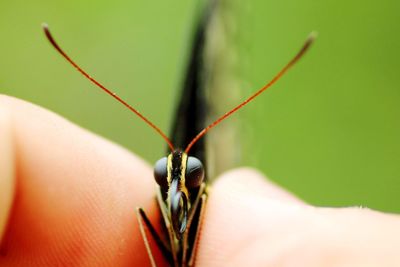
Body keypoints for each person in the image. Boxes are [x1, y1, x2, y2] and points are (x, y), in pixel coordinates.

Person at [0, 95, 399, 266]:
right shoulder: (149, 211)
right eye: (166, 179)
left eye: (185, 179)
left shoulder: (216, 207)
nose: (174, 190)